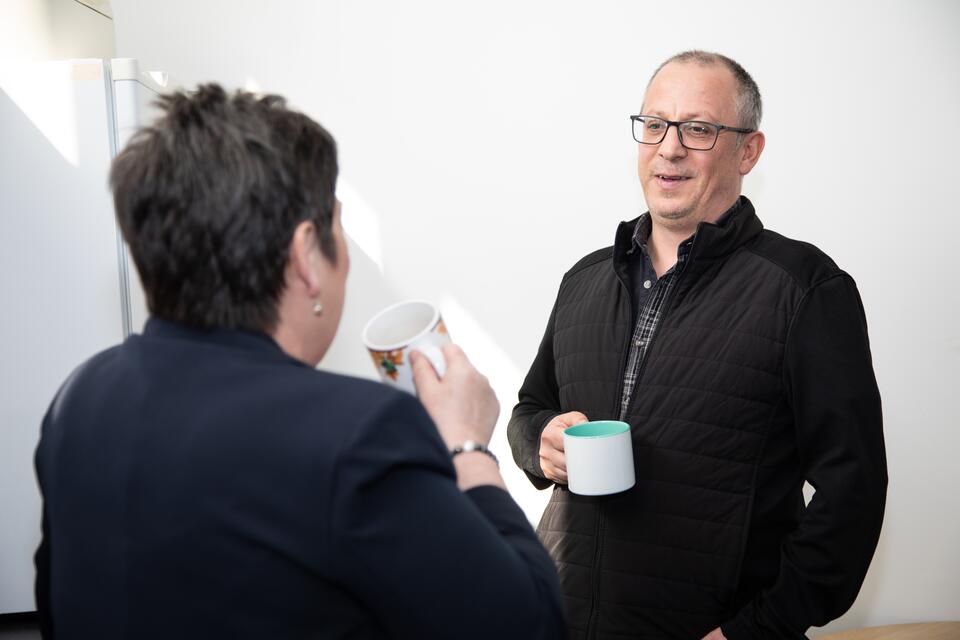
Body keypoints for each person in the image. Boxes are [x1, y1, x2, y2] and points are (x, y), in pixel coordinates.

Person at [34, 84, 564, 639]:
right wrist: (468, 448)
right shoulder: (359, 433)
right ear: (306, 254)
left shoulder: (80, 399)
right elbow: (527, 624)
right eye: (337, 223)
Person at [507, 50, 887, 640]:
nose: (670, 147)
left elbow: (853, 492)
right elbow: (528, 411)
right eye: (655, 124)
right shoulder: (584, 280)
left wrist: (755, 630)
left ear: (749, 150)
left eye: (699, 129)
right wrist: (541, 443)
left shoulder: (806, 289)